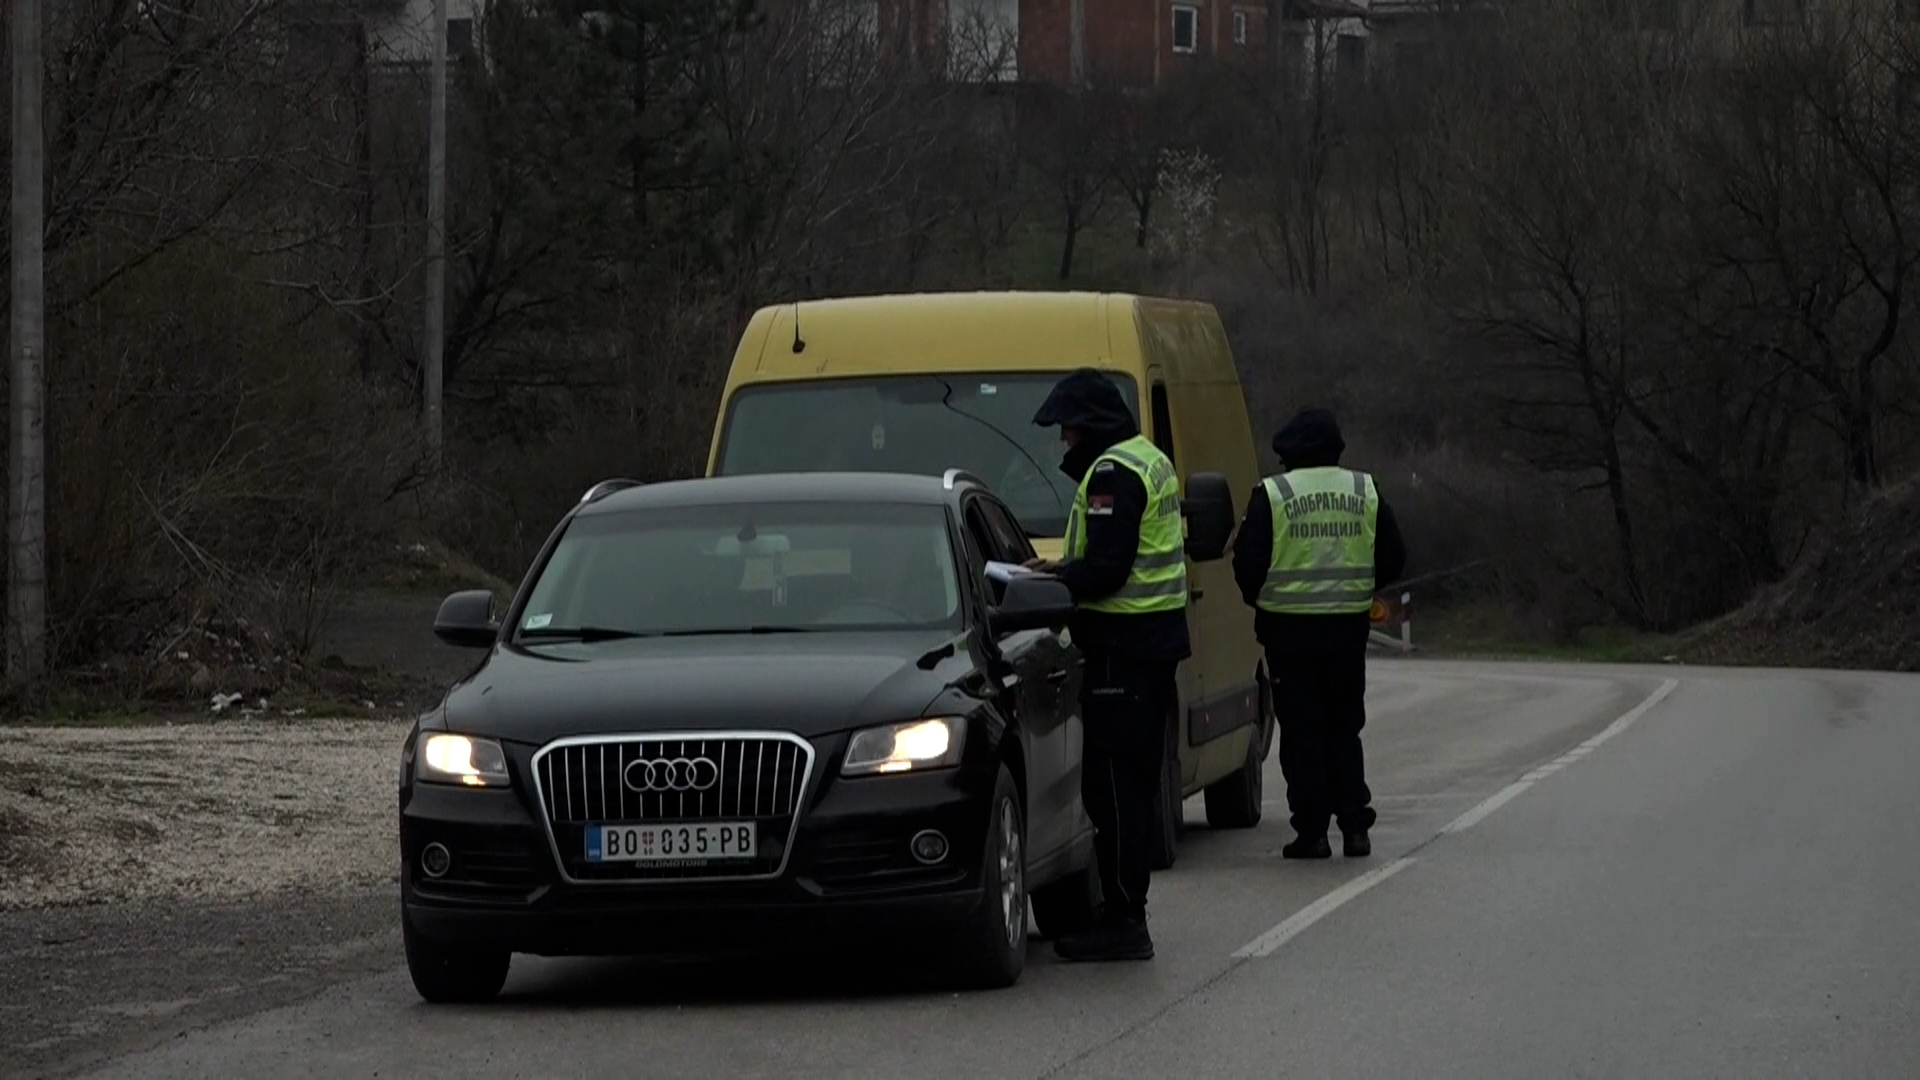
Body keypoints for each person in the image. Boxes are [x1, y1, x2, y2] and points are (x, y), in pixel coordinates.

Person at [1025, 368, 1190, 962]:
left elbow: (1108, 570)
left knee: (1114, 789)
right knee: (1132, 785)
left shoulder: (1113, 475)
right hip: (1151, 647)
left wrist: (1054, 577)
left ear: (1089, 424)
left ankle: (1125, 918)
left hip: (1124, 650)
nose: (1065, 443)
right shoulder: (1150, 459)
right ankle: (1124, 912)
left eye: (1068, 431)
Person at [1233, 408, 1407, 860]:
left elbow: (1248, 565)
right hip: (1347, 629)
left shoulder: (1274, 494)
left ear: (1288, 454)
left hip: (1288, 633)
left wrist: (1263, 598)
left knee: (1302, 732)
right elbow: (1393, 555)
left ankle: (1312, 833)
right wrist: (1360, 588)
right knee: (1344, 726)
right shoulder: (1363, 489)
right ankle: (1355, 826)